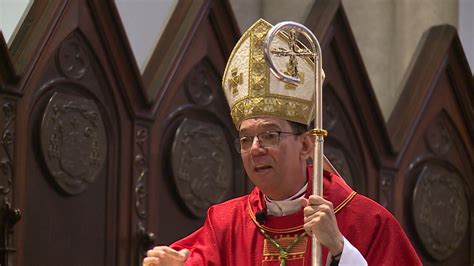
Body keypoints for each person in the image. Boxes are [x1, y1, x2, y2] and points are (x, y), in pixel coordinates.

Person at [143, 18, 422, 266]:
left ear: (305, 146)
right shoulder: (225, 224)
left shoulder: (367, 221)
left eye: (270, 135)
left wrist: (339, 250)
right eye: (245, 139)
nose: (255, 148)